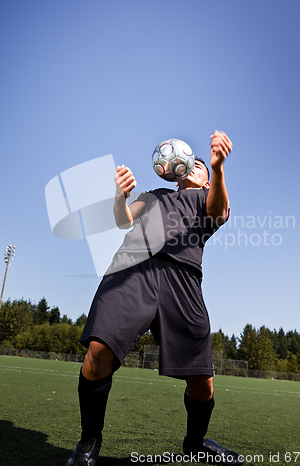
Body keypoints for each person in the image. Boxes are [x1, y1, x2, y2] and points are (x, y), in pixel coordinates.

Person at [67, 131, 244, 465]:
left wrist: (219, 168)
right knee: (98, 353)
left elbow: (219, 209)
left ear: (205, 181)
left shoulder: (208, 198)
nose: (194, 166)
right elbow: (123, 219)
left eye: (200, 166)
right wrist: (120, 196)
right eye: (194, 164)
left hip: (183, 283)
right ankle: (89, 440)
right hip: (133, 269)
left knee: (202, 382)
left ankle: (195, 445)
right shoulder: (154, 195)